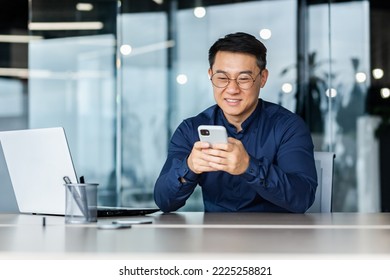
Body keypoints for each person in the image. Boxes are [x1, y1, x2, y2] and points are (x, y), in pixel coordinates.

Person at [154, 32, 317, 213]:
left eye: (244, 79)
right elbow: (163, 201)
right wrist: (189, 167)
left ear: (263, 78)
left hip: (276, 237)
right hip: (214, 238)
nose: (232, 89)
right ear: (211, 75)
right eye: (222, 78)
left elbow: (302, 198)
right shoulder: (190, 130)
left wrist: (249, 166)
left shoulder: (288, 127)